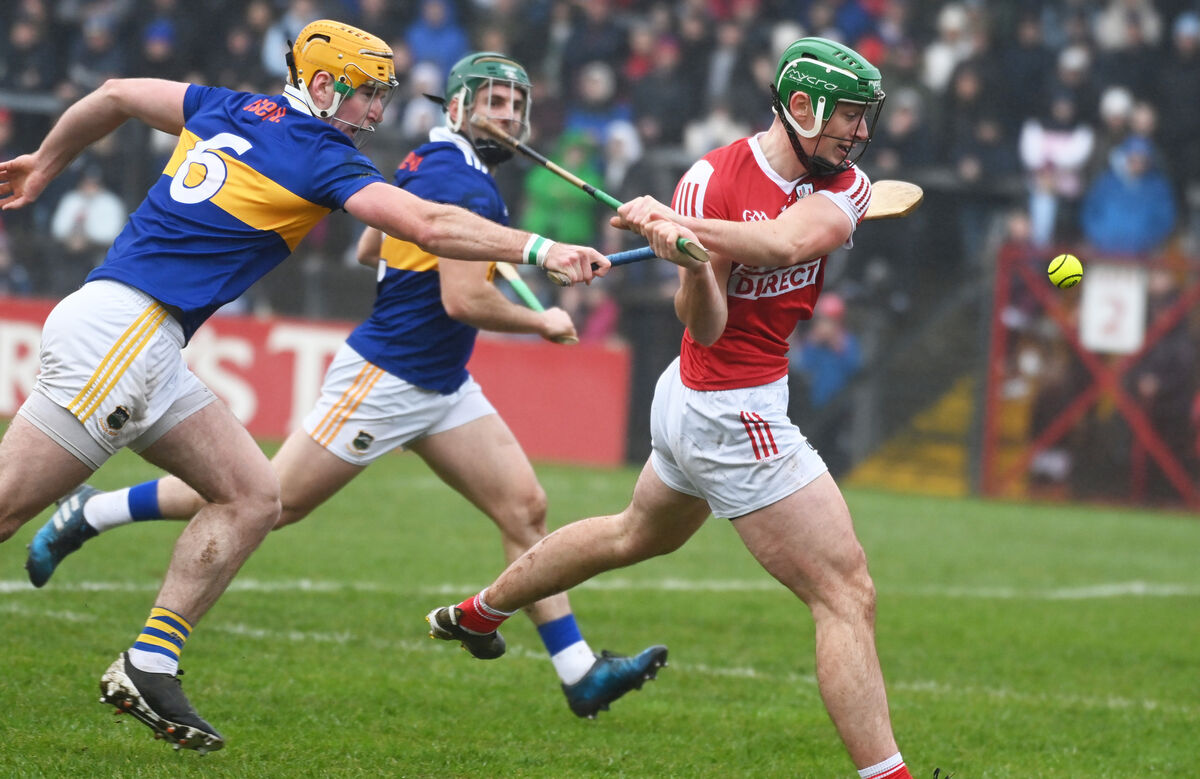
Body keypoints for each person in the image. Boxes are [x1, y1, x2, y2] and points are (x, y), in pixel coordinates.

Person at [0, 20, 605, 755]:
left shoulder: (229, 105)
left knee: (254, 494)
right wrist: (543, 249)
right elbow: (427, 223)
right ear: (324, 86)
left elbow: (117, 93)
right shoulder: (319, 155)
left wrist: (43, 163)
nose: (378, 113)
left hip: (148, 344)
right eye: (368, 97)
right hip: (122, 336)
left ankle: (148, 661)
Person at [428, 37, 920, 779]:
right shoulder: (709, 181)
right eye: (847, 115)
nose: (858, 132)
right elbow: (708, 324)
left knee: (632, 534)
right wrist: (693, 264)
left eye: (863, 117)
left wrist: (689, 233)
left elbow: (785, 245)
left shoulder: (845, 186)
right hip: (727, 407)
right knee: (846, 591)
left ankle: (481, 610)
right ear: (799, 105)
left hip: (703, 401)